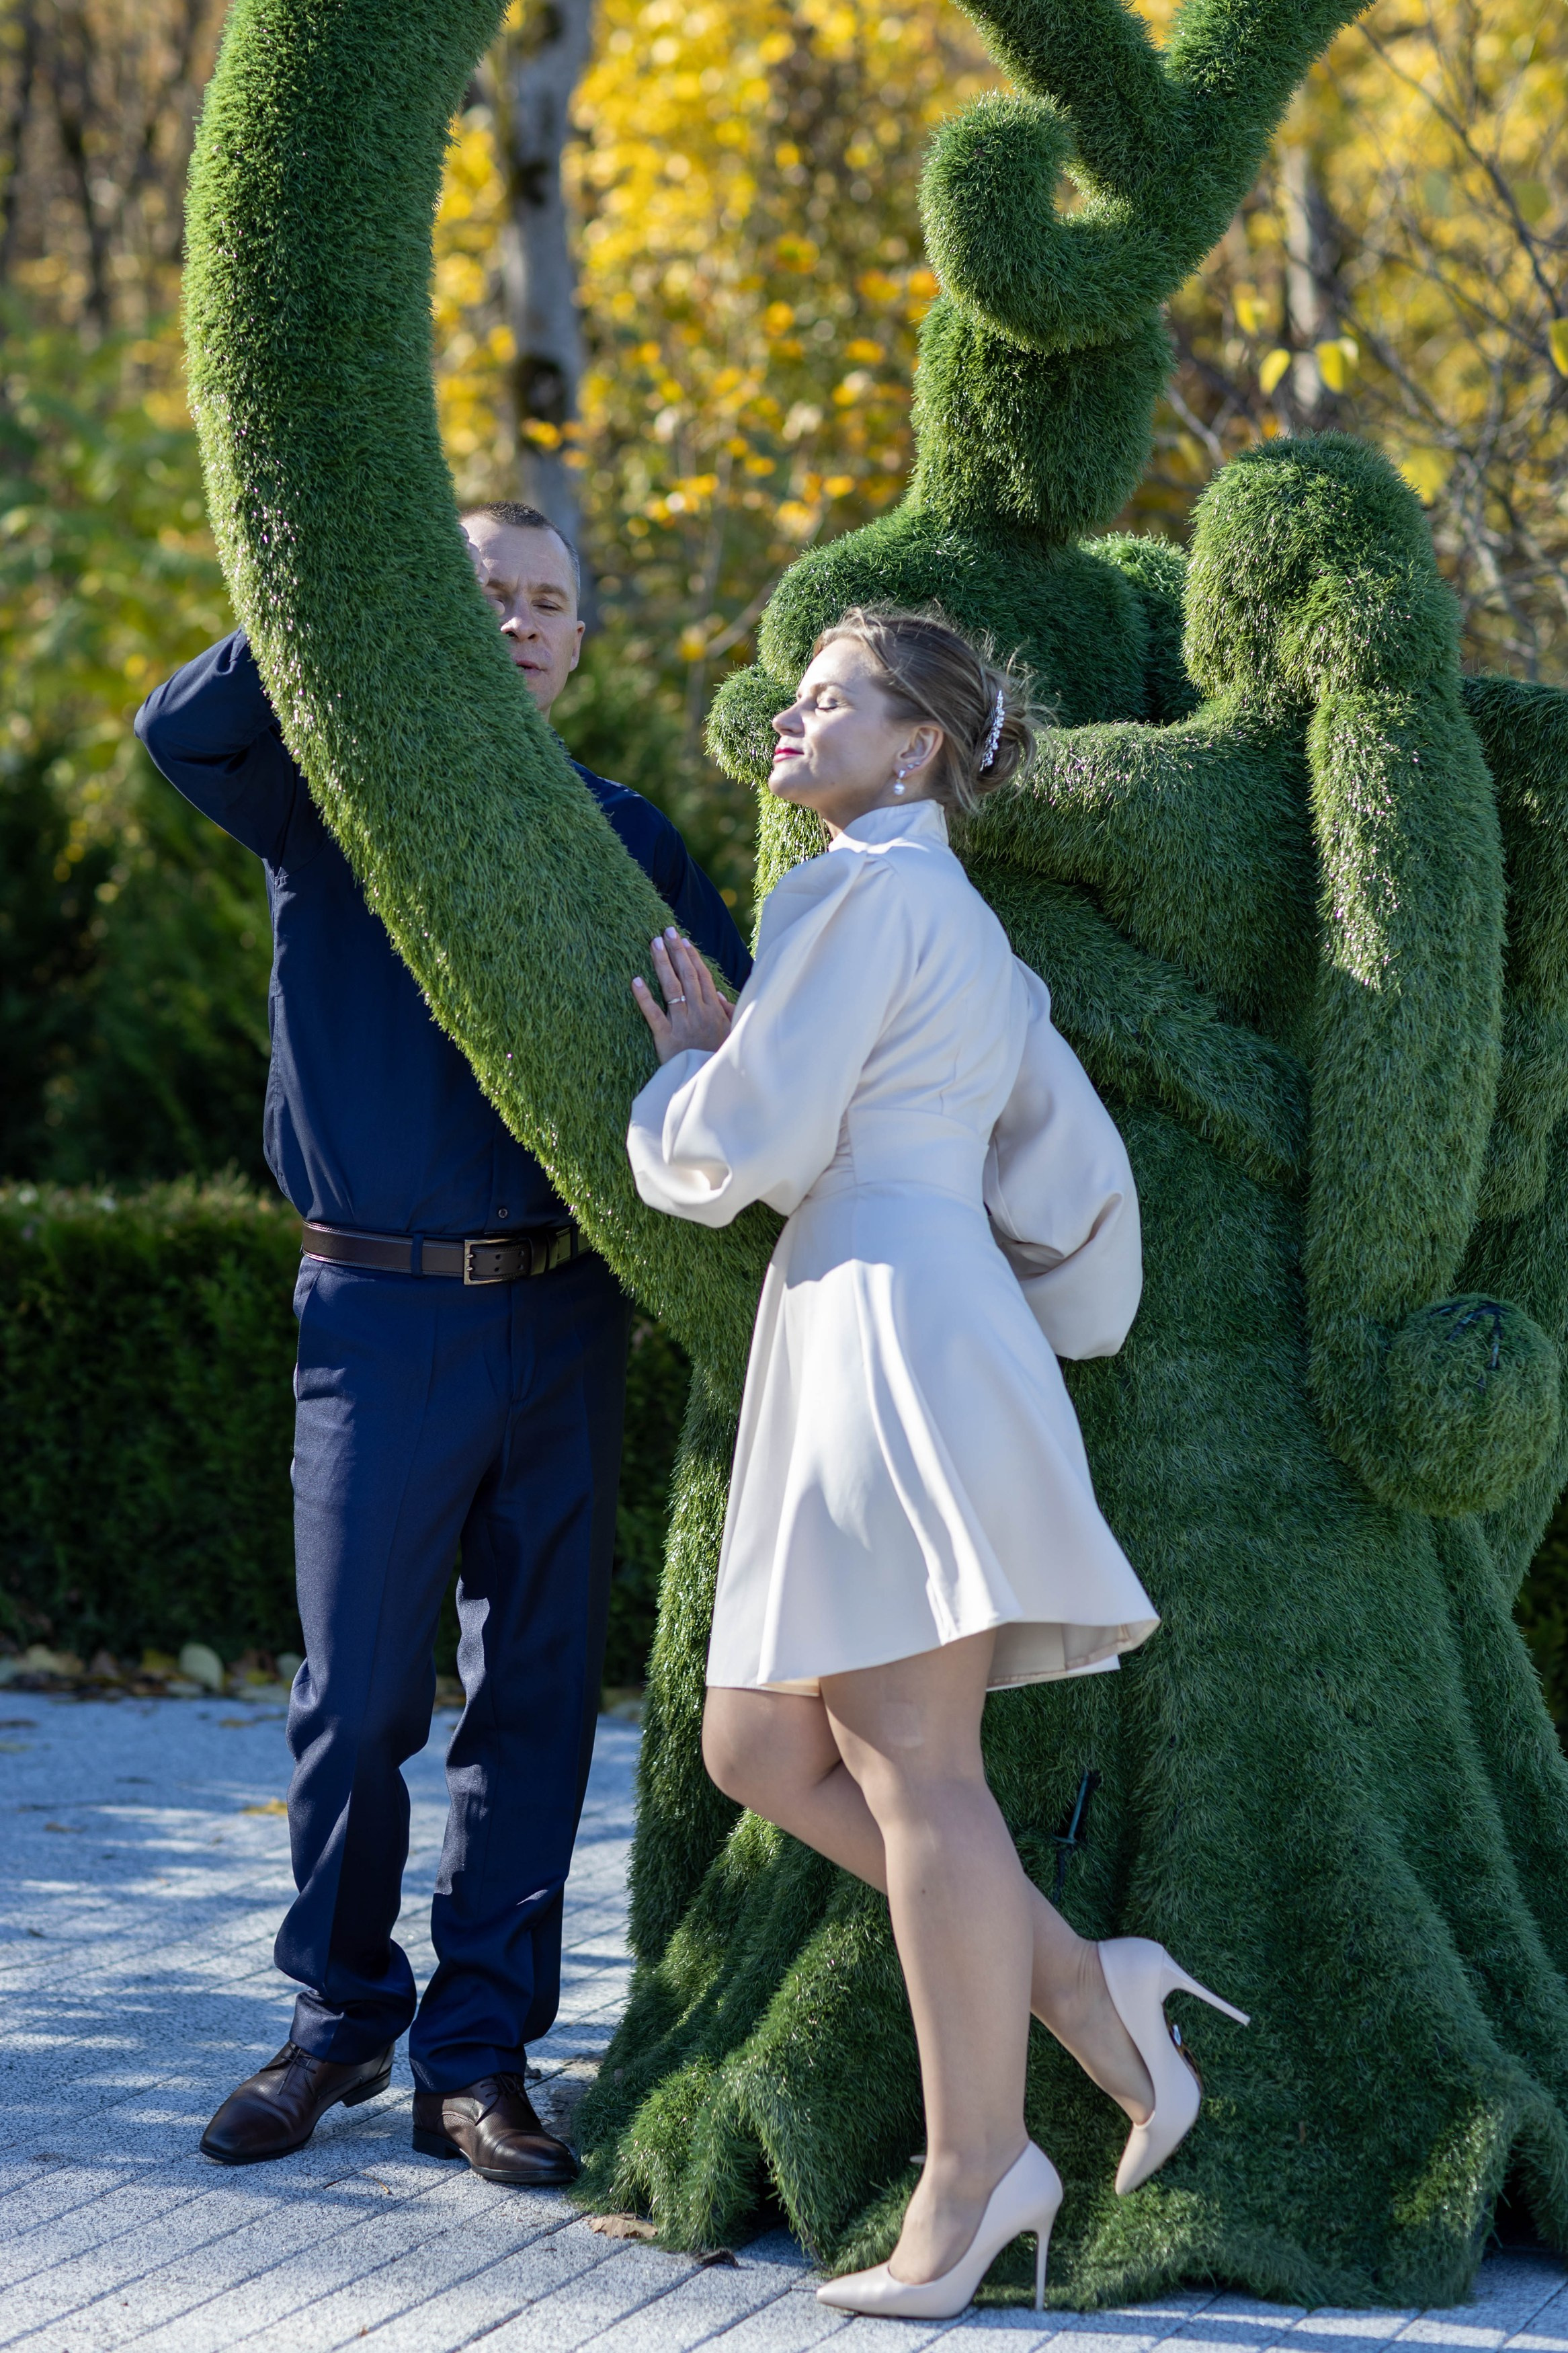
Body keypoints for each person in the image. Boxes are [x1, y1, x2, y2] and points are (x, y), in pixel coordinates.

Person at [625, 606, 1246, 2318]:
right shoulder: (957, 924)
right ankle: (1087, 1988)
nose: (791, 717)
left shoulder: (868, 891)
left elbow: (749, 1139)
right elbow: (1078, 1191)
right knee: (760, 1742)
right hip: (898, 1319)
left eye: (834, 698)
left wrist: (684, 1083)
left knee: (916, 1768)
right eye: (796, 694)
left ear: (919, 747)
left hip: (886, 1329)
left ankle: (978, 2176)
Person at [135, 501, 750, 2181]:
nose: (522, 621)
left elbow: (745, 1036)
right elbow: (177, 727)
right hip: (375, 1311)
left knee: (537, 1701)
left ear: (577, 643)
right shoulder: (333, 797)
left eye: (548, 602)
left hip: (563, 1312)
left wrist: (716, 1047)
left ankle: (477, 2055)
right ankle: (335, 2021)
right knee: (356, 1701)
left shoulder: (618, 835)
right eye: (485, 589)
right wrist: (344, 592)